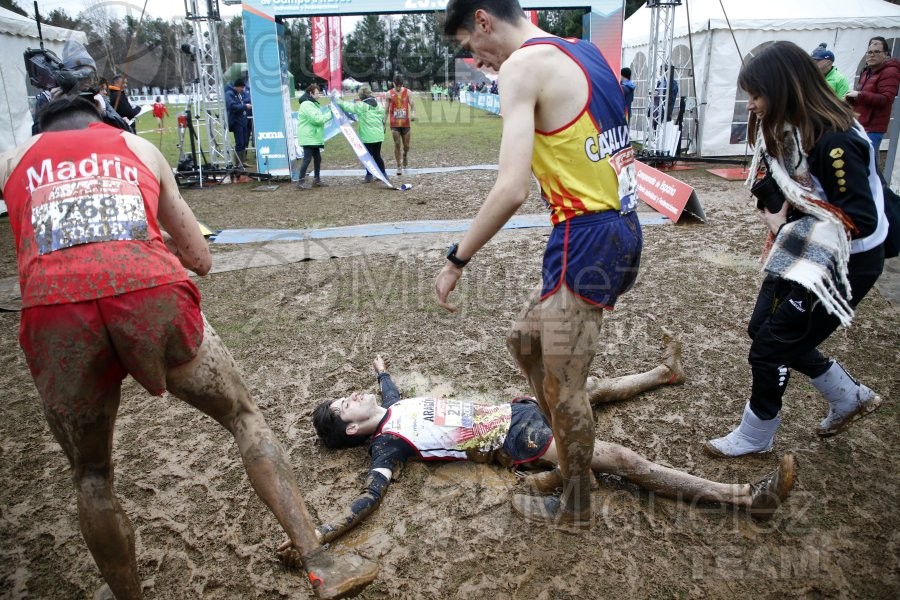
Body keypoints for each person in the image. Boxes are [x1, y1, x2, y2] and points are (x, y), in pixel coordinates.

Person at [0, 95, 378, 600]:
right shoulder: (137, 148)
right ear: (100, 115)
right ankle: (320, 563)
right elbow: (200, 257)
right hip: (149, 292)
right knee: (245, 418)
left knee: (90, 475)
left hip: (55, 309)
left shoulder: (13, 160)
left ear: (40, 126)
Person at [435, 0, 641, 528]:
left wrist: (458, 258)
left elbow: (511, 189)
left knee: (564, 385)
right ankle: (572, 466)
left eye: (469, 47)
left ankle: (577, 502)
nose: (476, 60)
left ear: (483, 21)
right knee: (524, 342)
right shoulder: (584, 50)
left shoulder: (522, 66)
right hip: (613, 225)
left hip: (586, 233)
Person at [310, 350, 796, 542]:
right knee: (621, 460)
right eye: (344, 406)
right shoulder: (387, 446)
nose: (352, 397)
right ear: (352, 431)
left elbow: (390, 392)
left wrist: (380, 371)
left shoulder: (391, 406)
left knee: (592, 390)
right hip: (515, 438)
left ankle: (664, 374)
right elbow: (371, 496)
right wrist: (328, 530)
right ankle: (746, 498)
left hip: (517, 410)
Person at [705, 41, 887, 458]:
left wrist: (788, 222)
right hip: (804, 247)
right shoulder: (789, 129)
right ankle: (848, 396)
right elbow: (785, 188)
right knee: (764, 330)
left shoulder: (835, 139)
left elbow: (862, 218)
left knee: (771, 346)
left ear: (783, 88)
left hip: (845, 262)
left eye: (756, 95)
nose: (750, 105)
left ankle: (757, 433)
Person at [845, 36, 900, 150]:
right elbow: (864, 97)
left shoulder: (890, 72)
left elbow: (886, 99)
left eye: (876, 52)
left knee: (867, 163)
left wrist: (859, 95)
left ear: (885, 54)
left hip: (874, 128)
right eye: (869, 52)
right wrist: (851, 98)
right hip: (861, 125)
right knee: (868, 163)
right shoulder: (866, 71)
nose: (872, 55)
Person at [334, 85, 388, 182]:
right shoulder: (378, 104)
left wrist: (337, 100)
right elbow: (382, 116)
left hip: (368, 136)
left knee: (368, 157)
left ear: (361, 95)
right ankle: (383, 174)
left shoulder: (361, 105)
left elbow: (348, 107)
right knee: (377, 155)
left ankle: (369, 176)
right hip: (379, 135)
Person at [296, 83, 334, 189]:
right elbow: (317, 120)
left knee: (317, 158)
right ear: (310, 93)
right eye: (317, 93)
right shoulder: (307, 104)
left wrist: (329, 110)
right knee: (307, 159)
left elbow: (319, 117)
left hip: (313, 137)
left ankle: (316, 180)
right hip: (309, 137)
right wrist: (331, 113)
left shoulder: (311, 104)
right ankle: (300, 181)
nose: (319, 95)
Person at [386, 74, 415, 175]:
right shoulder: (389, 94)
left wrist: (413, 113)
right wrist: (384, 123)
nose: (397, 88)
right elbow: (386, 110)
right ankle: (398, 165)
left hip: (405, 123)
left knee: (406, 146)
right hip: (394, 124)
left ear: (402, 84)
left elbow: (412, 105)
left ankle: (405, 155)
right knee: (397, 144)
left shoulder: (408, 92)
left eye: (399, 86)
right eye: (396, 86)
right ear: (393, 84)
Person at [225, 79, 253, 168]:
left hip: (243, 121)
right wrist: (245, 106)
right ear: (236, 86)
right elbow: (232, 106)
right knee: (239, 143)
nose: (243, 89)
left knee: (244, 142)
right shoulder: (229, 94)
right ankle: (237, 164)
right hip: (236, 122)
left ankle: (243, 161)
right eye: (241, 87)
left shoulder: (238, 94)